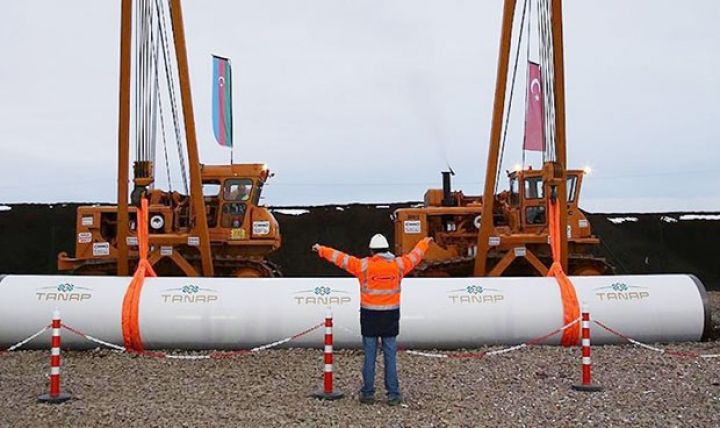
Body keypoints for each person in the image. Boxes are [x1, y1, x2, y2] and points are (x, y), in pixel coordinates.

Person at [312, 234, 432, 406]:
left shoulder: (363, 266)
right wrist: (425, 242)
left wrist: (321, 249)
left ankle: (368, 393)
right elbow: (416, 255)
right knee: (390, 356)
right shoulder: (399, 265)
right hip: (390, 317)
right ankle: (393, 395)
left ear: (372, 250)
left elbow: (340, 258)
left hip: (369, 318)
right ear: (387, 249)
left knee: (369, 356)